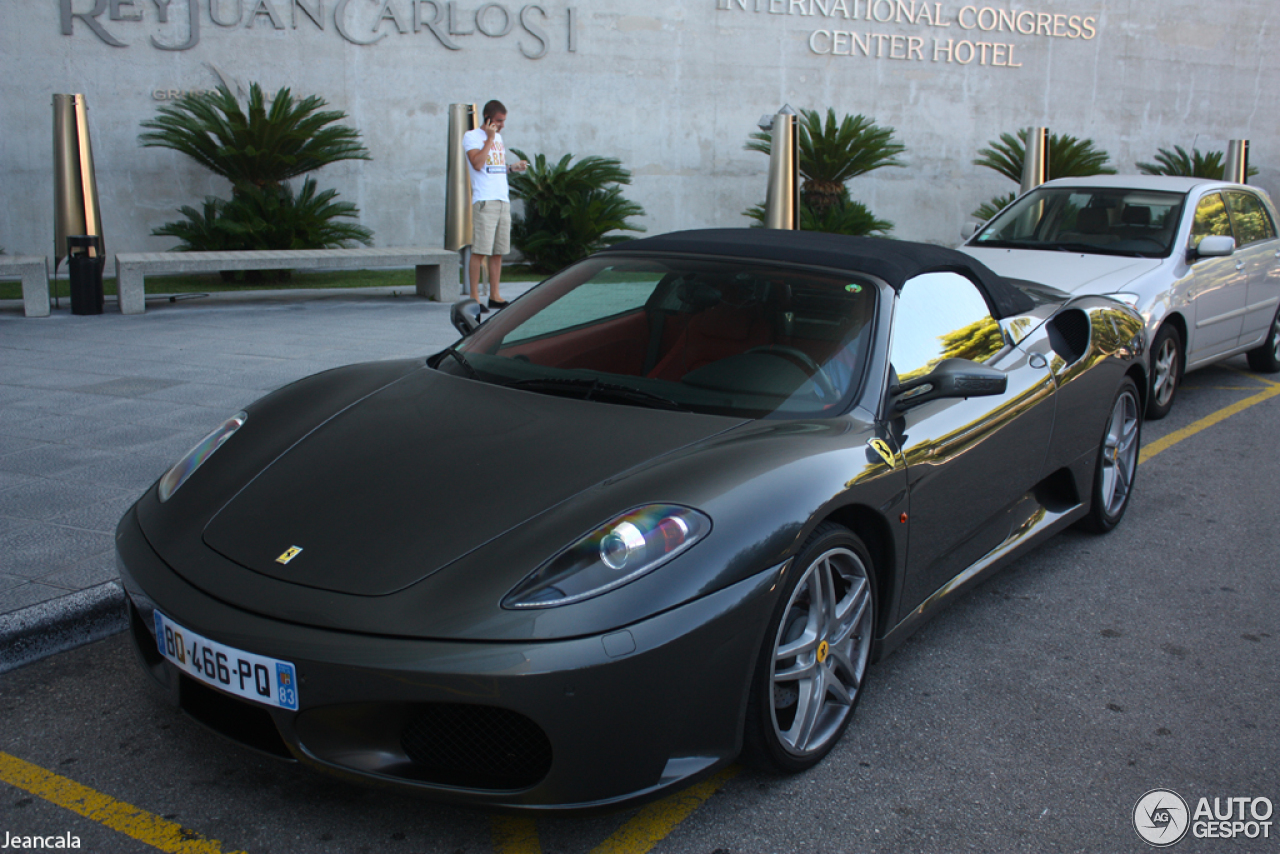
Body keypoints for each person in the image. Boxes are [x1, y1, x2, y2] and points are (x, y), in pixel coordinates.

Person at [463, 99, 527, 310]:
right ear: (489, 118)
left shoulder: (498, 137)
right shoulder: (472, 137)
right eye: (500, 121)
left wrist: (511, 168)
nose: (502, 125)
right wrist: (489, 138)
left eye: (504, 121)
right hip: (485, 200)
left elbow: (493, 168)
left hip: (502, 198)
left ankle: (495, 295)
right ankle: (474, 297)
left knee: (498, 251)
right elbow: (478, 163)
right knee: (480, 250)